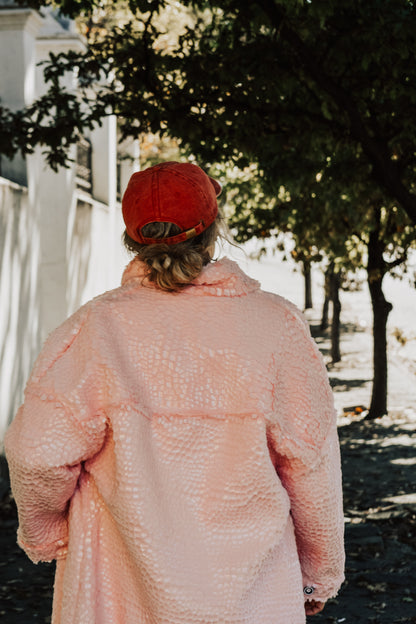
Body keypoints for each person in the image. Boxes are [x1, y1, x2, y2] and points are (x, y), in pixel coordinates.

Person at [5, 161, 345, 624]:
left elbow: (36, 453)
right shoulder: (274, 325)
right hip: (250, 594)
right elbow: (311, 463)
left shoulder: (96, 328)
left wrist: (48, 532)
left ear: (132, 239)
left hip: (121, 589)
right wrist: (317, 574)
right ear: (212, 230)